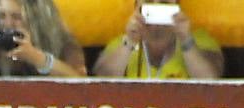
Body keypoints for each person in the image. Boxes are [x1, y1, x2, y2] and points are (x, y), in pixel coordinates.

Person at [92, 1, 223, 80]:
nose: (156, 6)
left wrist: (186, 41)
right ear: (137, 6)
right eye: (149, 1)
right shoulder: (121, 43)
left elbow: (211, 80)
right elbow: (101, 81)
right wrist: (129, 42)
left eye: (164, 2)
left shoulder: (199, 41)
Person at [0, 0, 86, 78]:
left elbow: (82, 83)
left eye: (16, 17)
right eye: (2, 16)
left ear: (36, 20)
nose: (8, 24)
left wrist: (37, 58)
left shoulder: (65, 44)